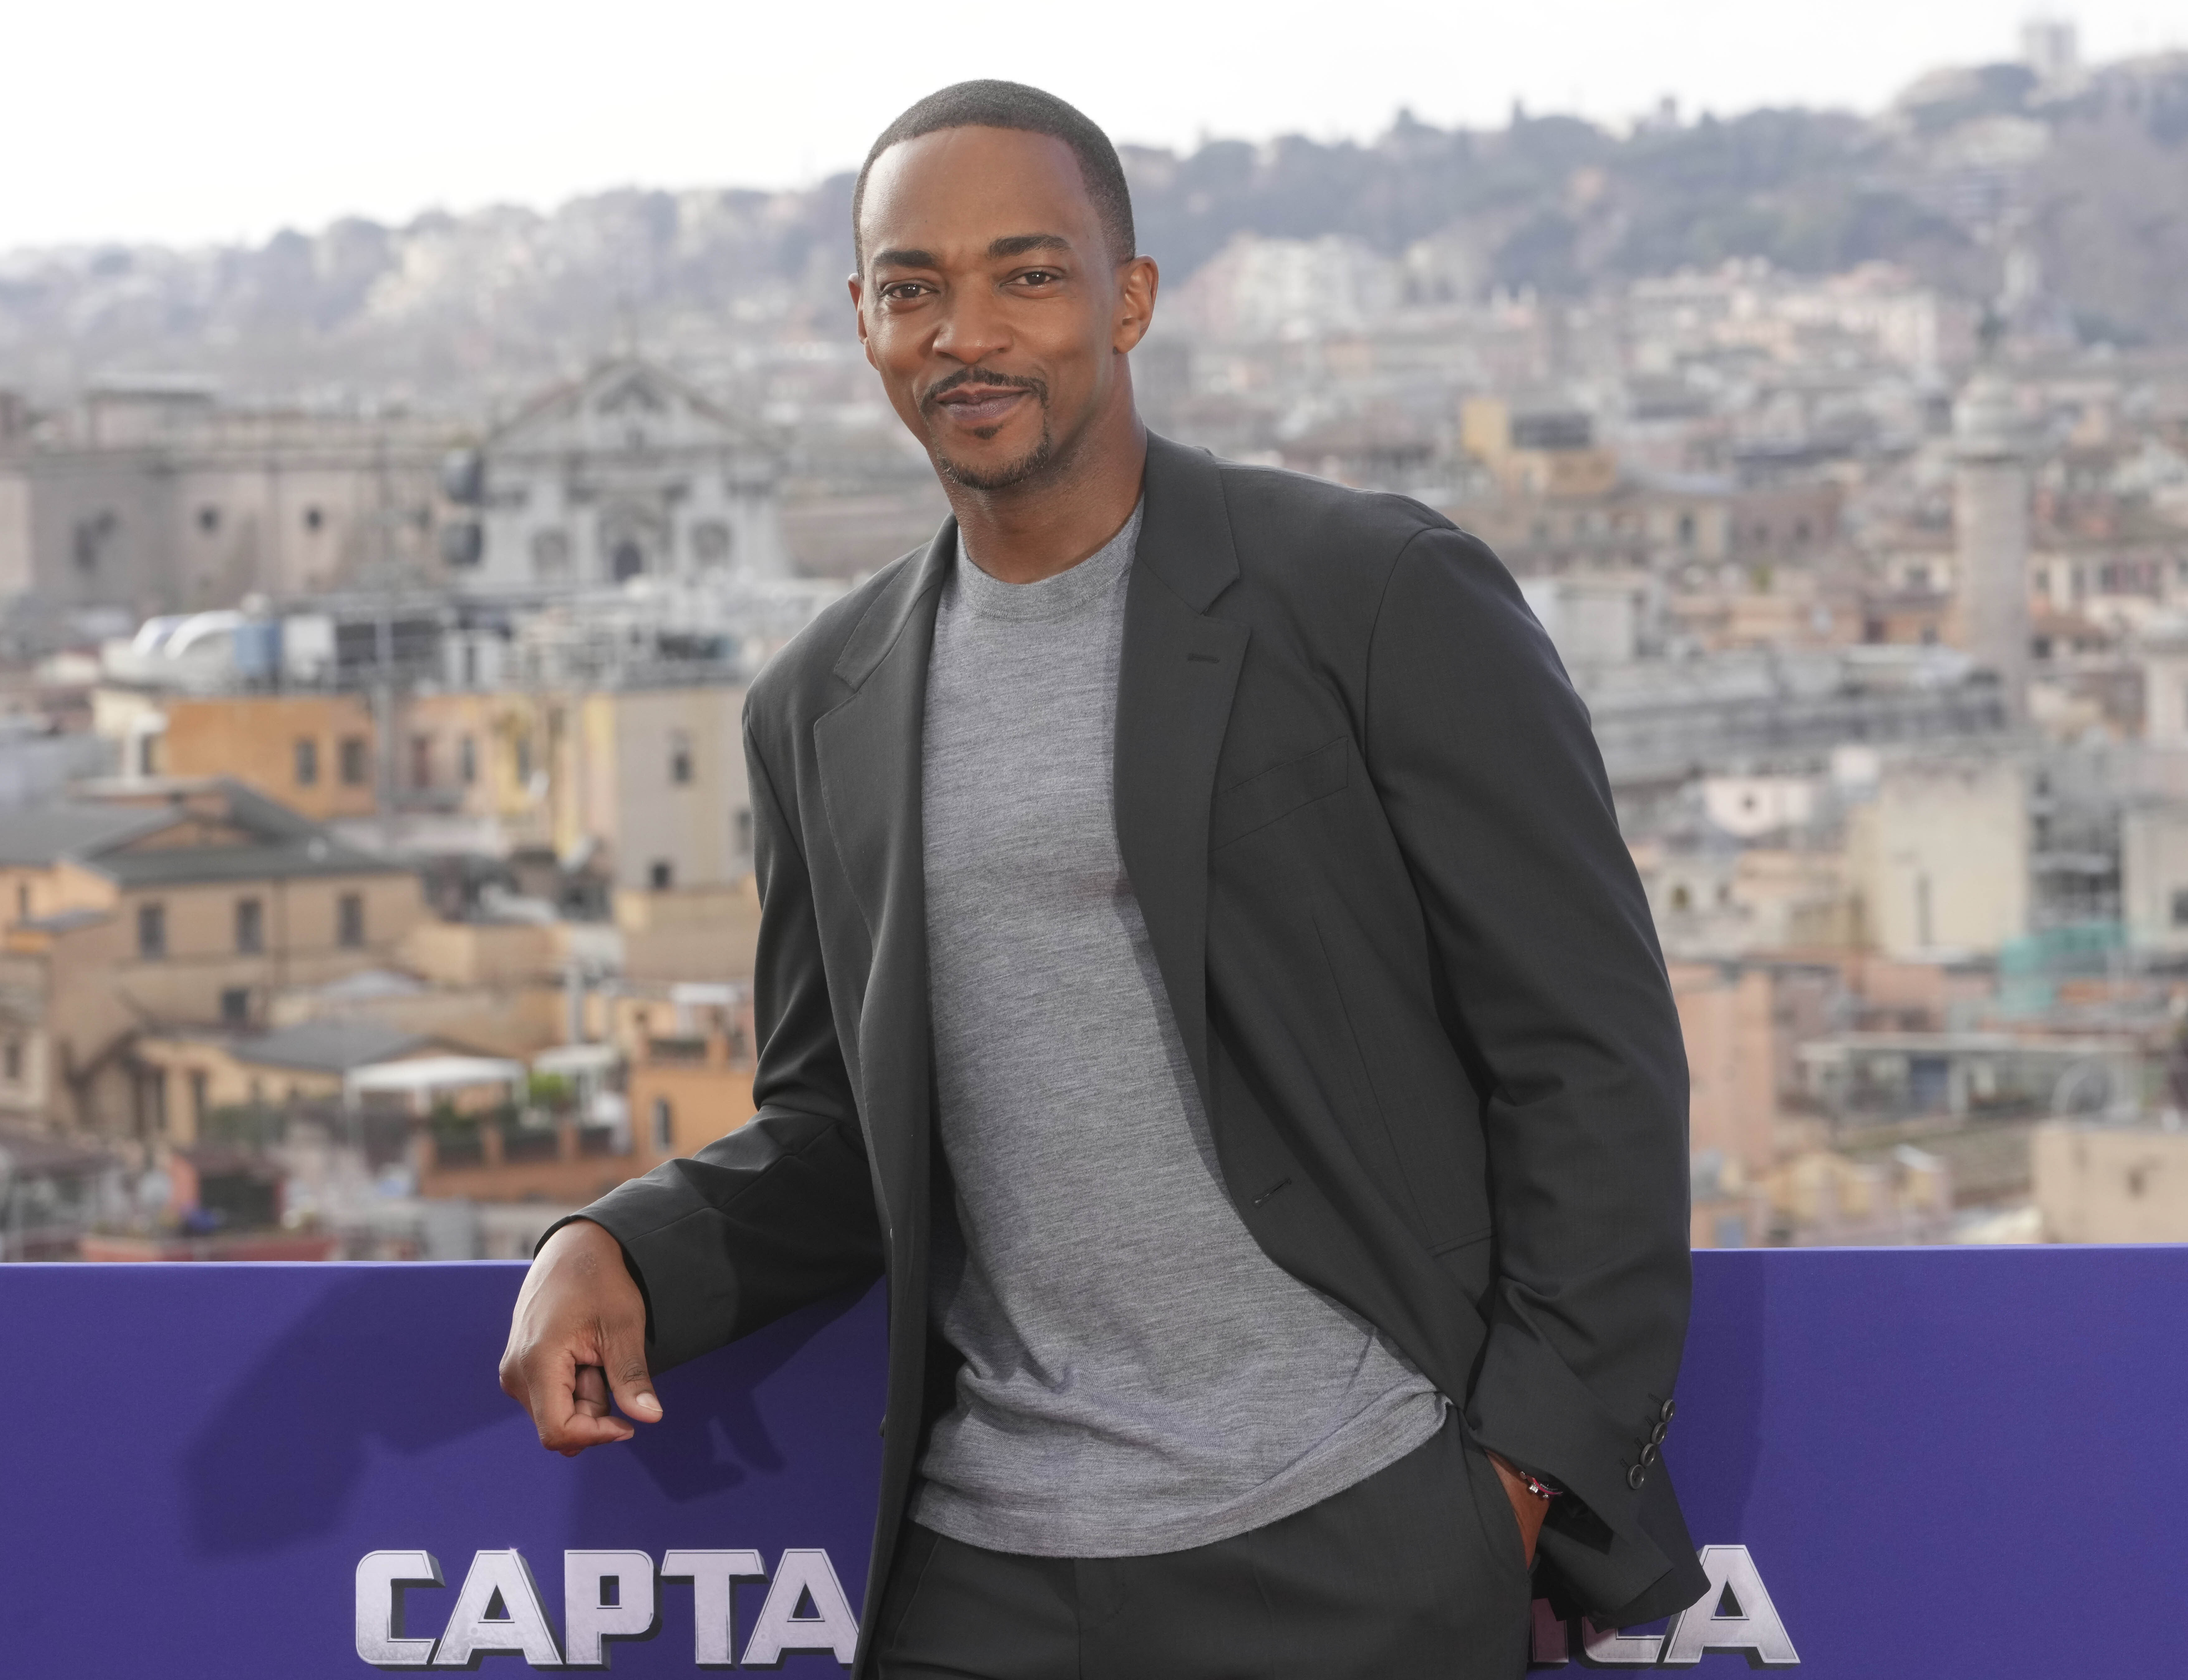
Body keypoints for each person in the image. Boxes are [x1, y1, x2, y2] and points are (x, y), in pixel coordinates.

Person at [499, 79, 1707, 1678]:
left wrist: (1507, 1484)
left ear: (1127, 298)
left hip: (1354, 1535)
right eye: (911, 288)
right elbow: (842, 1138)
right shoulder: (818, 699)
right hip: (985, 1563)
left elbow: (1590, 1056)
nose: (965, 331)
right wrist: (618, 1244)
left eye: (1027, 272)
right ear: (860, 323)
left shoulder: (1370, 595)